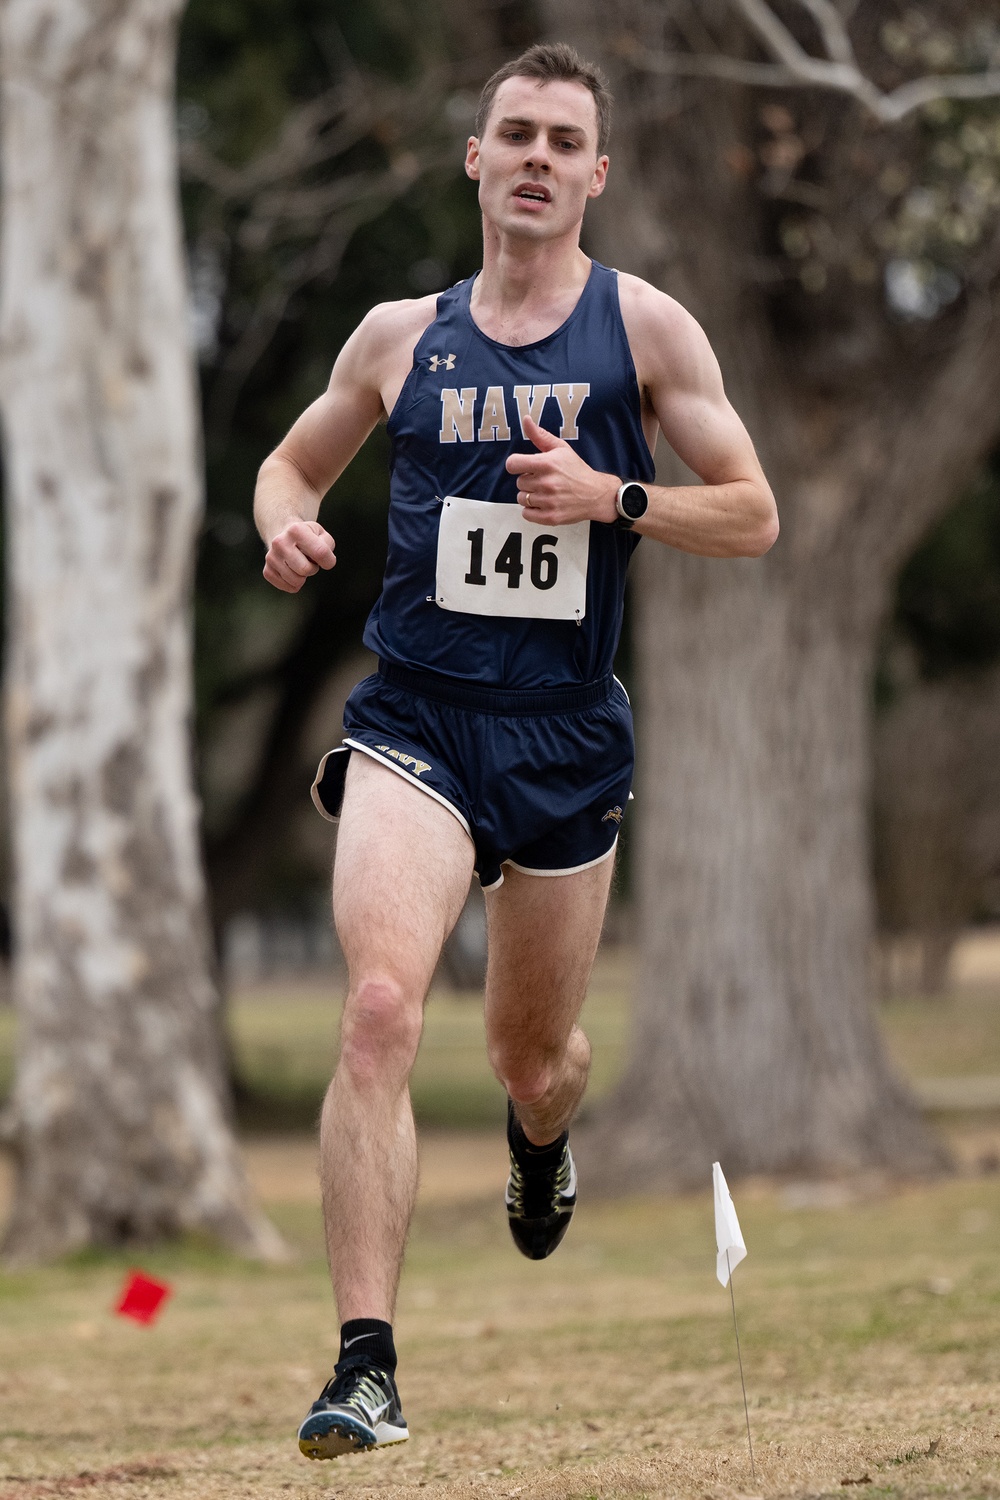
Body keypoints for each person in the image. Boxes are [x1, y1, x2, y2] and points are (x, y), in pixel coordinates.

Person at [254, 41, 778, 1463]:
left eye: (565, 139)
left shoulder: (648, 334)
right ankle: (367, 1367)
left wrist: (615, 497)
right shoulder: (394, 336)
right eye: (515, 134)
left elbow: (752, 514)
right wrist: (284, 523)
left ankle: (541, 1145)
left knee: (532, 1057)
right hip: (414, 719)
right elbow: (293, 463)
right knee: (376, 1008)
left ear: (596, 176)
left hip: (561, 736)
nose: (538, 156)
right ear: (475, 161)